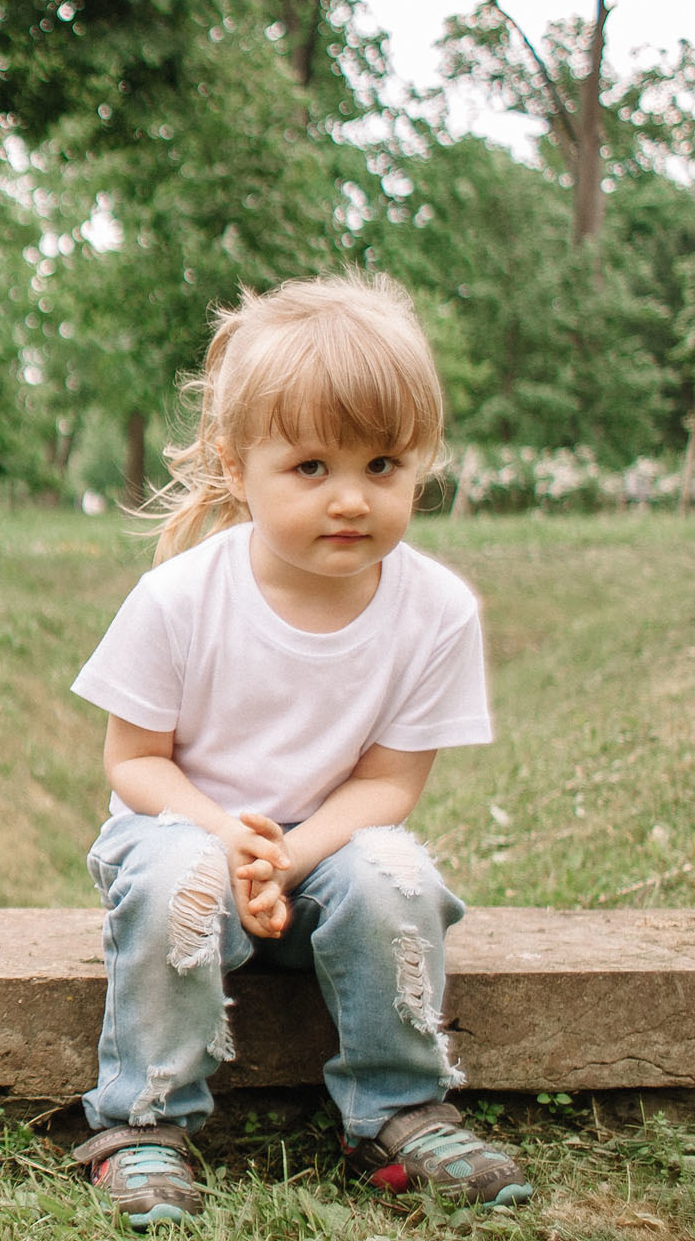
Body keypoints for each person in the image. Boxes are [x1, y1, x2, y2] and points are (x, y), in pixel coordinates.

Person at [65, 274, 533, 1228]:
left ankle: (397, 1109)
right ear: (240, 468)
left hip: (322, 849)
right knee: (185, 876)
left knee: (394, 873)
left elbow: (390, 783)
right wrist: (228, 840)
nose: (351, 499)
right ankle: (145, 1120)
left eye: (384, 466)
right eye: (312, 467)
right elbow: (135, 764)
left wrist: (296, 853)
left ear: (421, 466)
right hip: (178, 832)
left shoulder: (435, 610)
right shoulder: (181, 600)